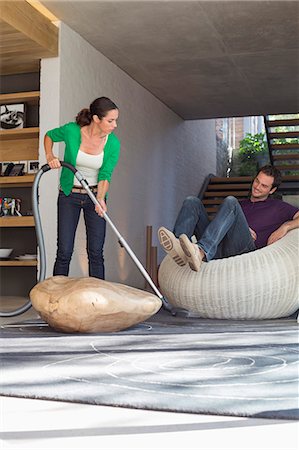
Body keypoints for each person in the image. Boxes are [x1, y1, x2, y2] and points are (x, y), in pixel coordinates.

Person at [158, 165, 299, 272]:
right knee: (192, 202)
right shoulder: (241, 205)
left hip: (243, 248)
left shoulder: (278, 206)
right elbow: (217, 229)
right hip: (219, 246)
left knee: (231, 202)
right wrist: (236, 225)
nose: (257, 187)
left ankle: (200, 252)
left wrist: (285, 227)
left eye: (264, 186)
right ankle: (179, 247)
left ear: (272, 190)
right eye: (257, 181)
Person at [44, 96, 120, 279]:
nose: (115, 125)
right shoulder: (72, 131)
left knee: (95, 253)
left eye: (116, 120)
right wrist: (49, 156)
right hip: (69, 195)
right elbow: (49, 135)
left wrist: (100, 199)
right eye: (110, 120)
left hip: (94, 195)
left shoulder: (113, 143)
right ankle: (57, 297)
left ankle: (97, 300)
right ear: (96, 119)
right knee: (64, 251)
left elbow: (105, 175)